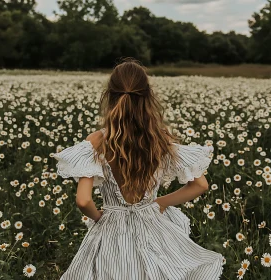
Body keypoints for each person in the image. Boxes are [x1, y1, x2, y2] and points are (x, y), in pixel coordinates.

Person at [53, 57, 224, 279]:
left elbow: (83, 200)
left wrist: (99, 217)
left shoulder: (97, 141)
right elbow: (200, 184)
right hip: (151, 221)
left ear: (110, 96)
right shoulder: (160, 140)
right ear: (147, 97)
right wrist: (160, 202)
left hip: (112, 229)